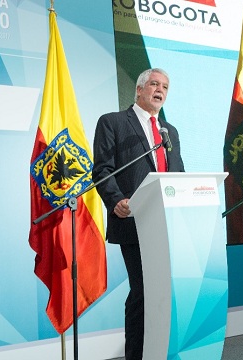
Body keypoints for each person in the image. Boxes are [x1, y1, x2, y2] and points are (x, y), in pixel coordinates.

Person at [92, 68, 184, 360]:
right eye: (155, 84)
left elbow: (177, 175)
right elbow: (102, 169)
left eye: (165, 87)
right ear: (139, 90)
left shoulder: (170, 132)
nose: (160, 90)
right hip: (133, 221)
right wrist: (115, 199)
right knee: (143, 292)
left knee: (162, 295)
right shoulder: (114, 122)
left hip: (165, 225)